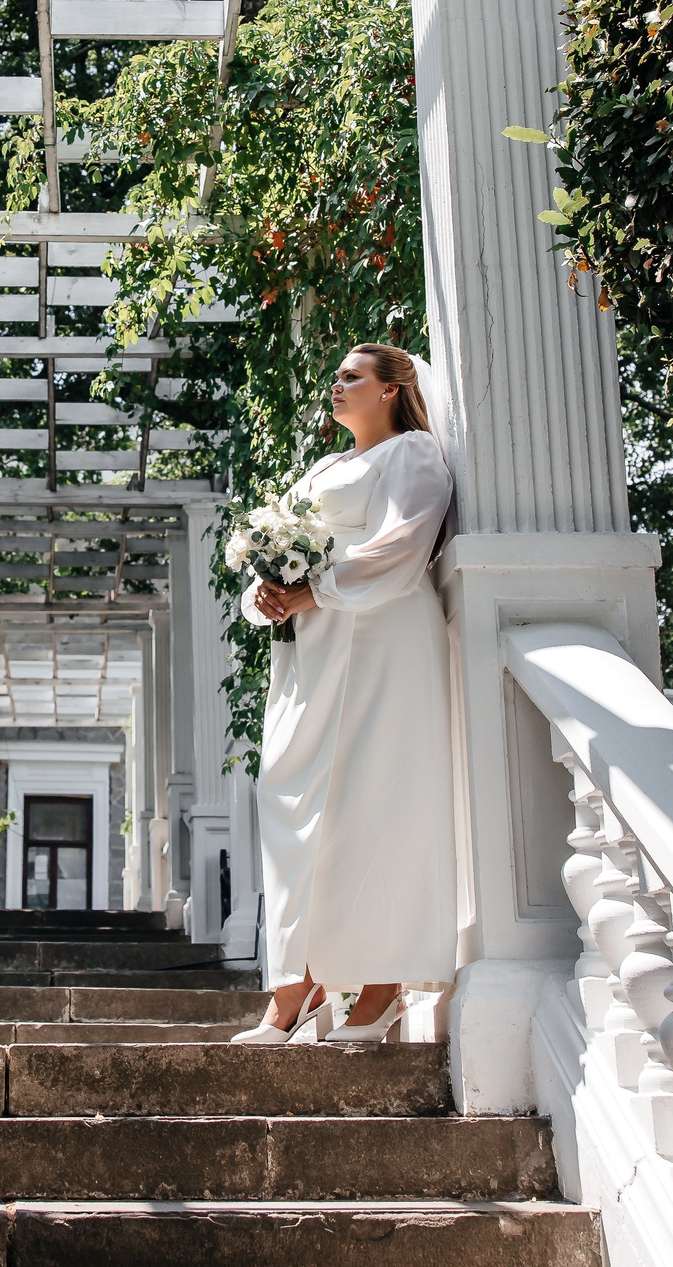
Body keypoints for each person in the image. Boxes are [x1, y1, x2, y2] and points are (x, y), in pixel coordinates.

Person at [230, 343, 459, 1046]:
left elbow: (401, 546)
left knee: (375, 801)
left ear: (394, 388)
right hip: (313, 650)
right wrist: (264, 592)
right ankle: (300, 982)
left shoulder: (413, 456)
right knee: (288, 797)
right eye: (335, 374)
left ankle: (381, 985)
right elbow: (279, 544)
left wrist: (315, 587)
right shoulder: (326, 467)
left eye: (353, 375)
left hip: (385, 640)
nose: (338, 383)